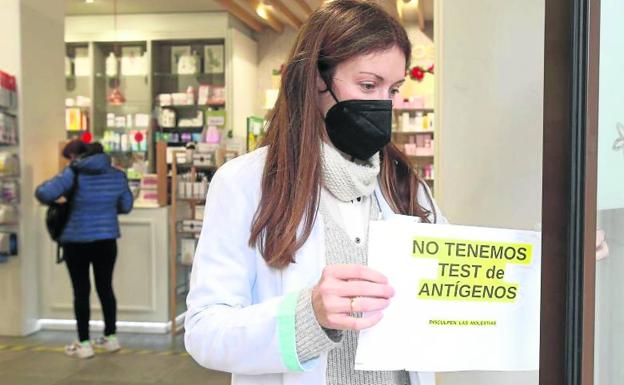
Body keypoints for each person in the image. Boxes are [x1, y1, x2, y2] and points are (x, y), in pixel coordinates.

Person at [185, 1, 444, 384]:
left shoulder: (405, 185)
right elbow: (205, 331)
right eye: (368, 85)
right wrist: (307, 316)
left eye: (394, 89)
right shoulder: (245, 183)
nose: (383, 104)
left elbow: (442, 288)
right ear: (314, 81)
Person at [35, 140, 133, 359]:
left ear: (79, 156)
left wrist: (64, 199)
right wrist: (106, 208)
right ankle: (110, 337)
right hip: (107, 240)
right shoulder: (117, 175)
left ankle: (84, 343)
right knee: (105, 288)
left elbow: (43, 193)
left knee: (81, 291)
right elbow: (126, 206)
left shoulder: (74, 173)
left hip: (76, 240)